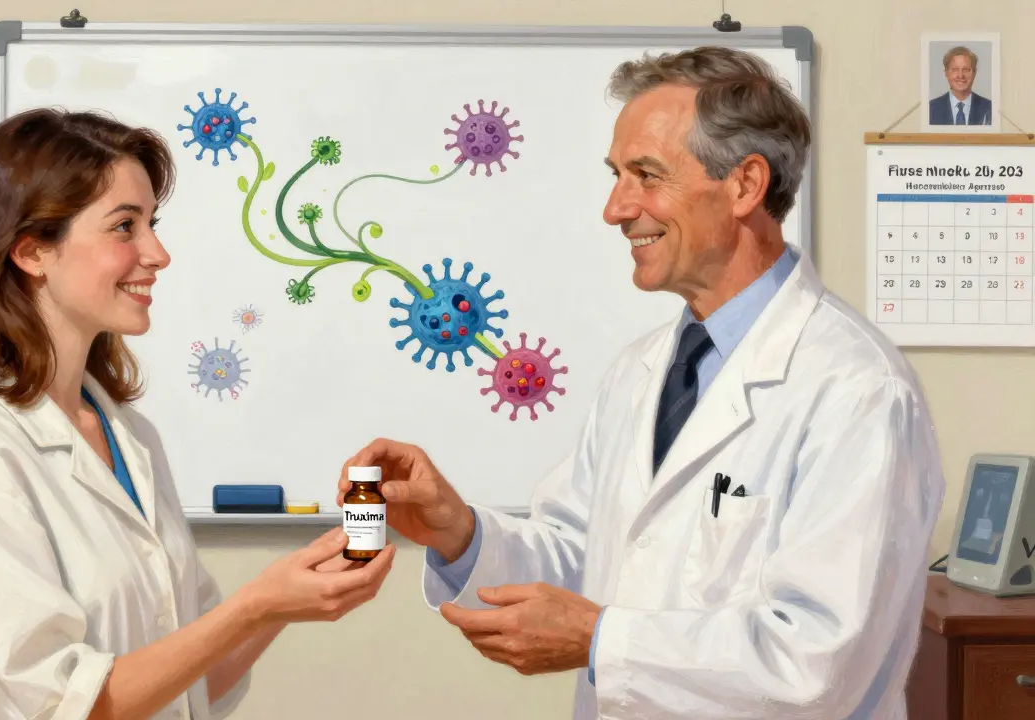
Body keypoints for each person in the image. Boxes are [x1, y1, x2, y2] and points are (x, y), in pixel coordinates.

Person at [338, 46, 944, 719]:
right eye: (617, 175)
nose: (616, 208)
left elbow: (820, 662)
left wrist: (602, 639)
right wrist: (459, 532)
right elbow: (580, 557)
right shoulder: (641, 372)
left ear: (744, 185)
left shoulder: (856, 389)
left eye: (646, 175)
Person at [0, 108, 395, 720]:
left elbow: (194, 680)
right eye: (125, 227)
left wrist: (282, 602)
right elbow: (61, 708)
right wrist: (255, 604)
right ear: (31, 251)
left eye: (152, 223)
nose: (158, 253)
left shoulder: (129, 437)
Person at [928, 46, 992, 126]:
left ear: (974, 73)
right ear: (946, 73)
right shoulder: (930, 109)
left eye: (966, 70)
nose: (960, 75)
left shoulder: (989, 108)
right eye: (955, 69)